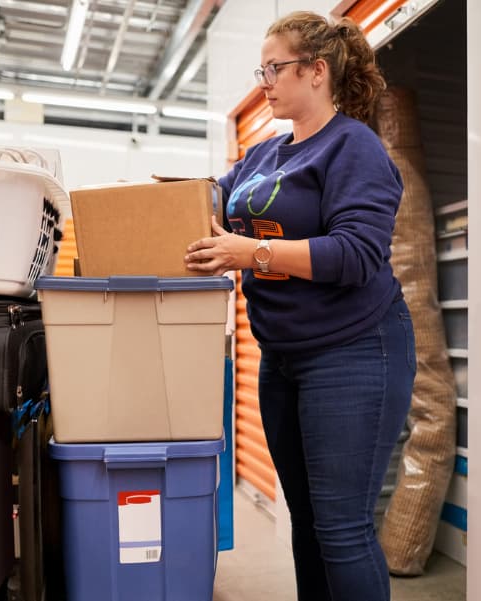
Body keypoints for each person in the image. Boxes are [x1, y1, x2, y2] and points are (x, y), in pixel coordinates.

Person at [184, 11, 416, 601]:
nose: (264, 79)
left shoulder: (353, 148)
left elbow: (356, 254)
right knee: (308, 528)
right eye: (260, 68)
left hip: (355, 351)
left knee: (341, 529)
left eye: (275, 67)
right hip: (283, 356)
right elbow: (203, 204)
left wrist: (250, 253)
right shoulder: (262, 156)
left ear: (317, 71)